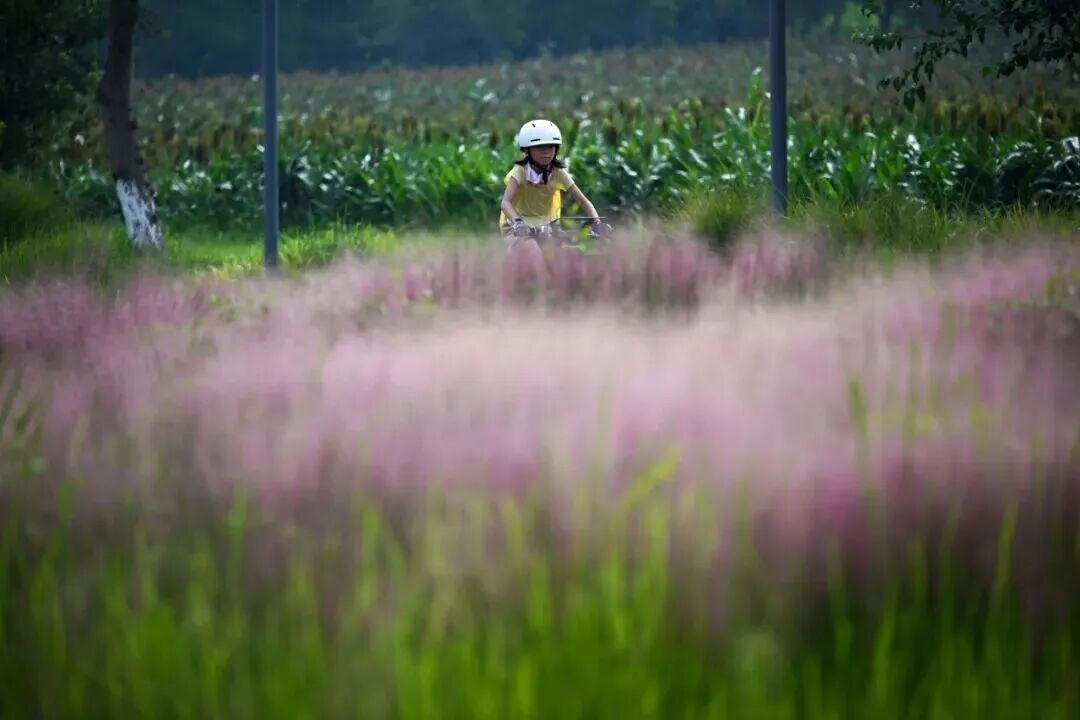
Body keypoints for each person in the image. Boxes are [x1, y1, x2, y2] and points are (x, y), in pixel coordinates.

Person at [498, 119, 604, 267]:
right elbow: (505, 202)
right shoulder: (520, 171)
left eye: (551, 147)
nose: (546, 152)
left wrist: (597, 222)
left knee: (567, 258)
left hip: (546, 226)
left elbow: (583, 201)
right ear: (527, 150)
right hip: (518, 226)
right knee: (535, 255)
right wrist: (518, 223)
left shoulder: (558, 172)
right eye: (540, 147)